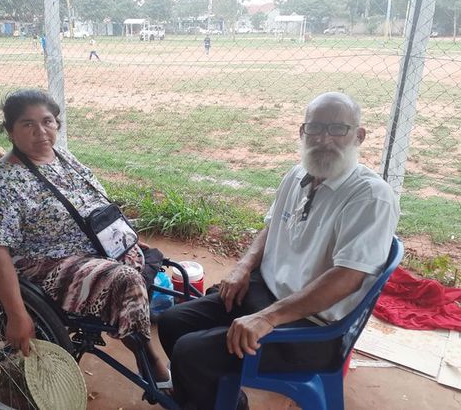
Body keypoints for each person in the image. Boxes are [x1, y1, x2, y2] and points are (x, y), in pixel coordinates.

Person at [158, 92, 400, 410]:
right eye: (314, 128)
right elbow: (271, 228)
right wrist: (243, 266)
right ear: (302, 132)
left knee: (192, 353)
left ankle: (209, 395)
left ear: (359, 135)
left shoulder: (370, 197)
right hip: (266, 293)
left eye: (337, 129)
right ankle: (221, 399)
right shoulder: (296, 175)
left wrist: (267, 318)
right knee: (173, 321)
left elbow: (348, 278)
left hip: (311, 328)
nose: (324, 138)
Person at [0, 89, 171, 387]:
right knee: (126, 281)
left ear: (57, 124)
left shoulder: (62, 157)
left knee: (141, 256)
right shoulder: (3, 180)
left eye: (47, 121)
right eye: (27, 124)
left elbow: (94, 204)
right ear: (11, 131)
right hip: (43, 262)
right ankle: (151, 358)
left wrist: (122, 236)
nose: (40, 131)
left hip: (89, 247)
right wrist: (16, 315)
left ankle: (133, 323)